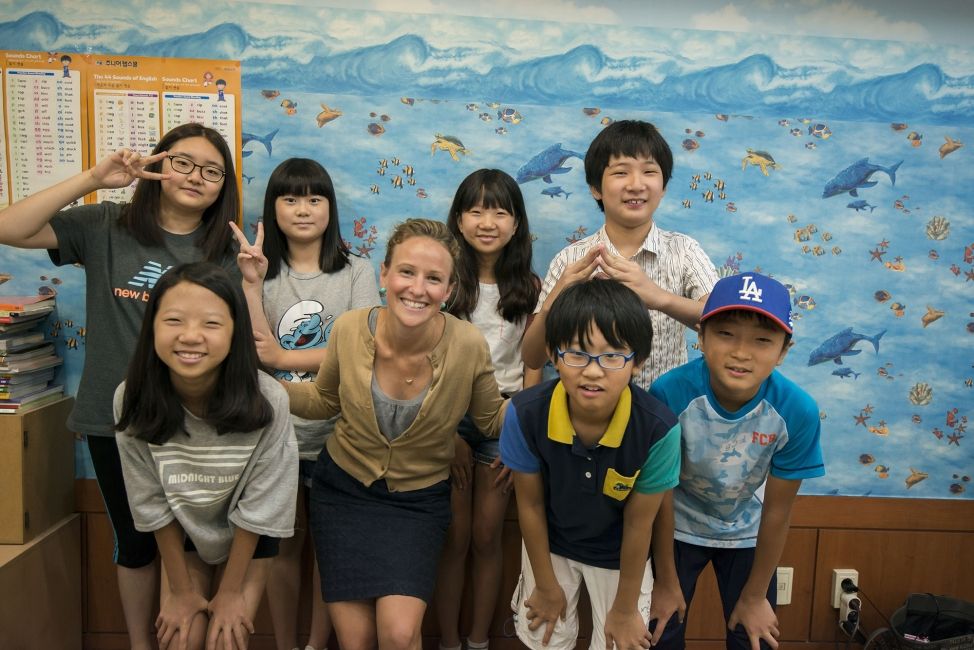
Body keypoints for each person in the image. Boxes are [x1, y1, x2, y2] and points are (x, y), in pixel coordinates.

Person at [0, 123, 239, 650]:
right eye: (182, 162)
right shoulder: (107, 223)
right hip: (116, 419)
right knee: (135, 544)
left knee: (195, 546)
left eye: (211, 170)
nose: (196, 177)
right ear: (157, 164)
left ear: (224, 185)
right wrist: (93, 177)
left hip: (195, 423)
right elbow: (9, 228)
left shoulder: (225, 248)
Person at [280, 218, 506, 650]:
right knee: (357, 639)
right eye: (406, 272)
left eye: (433, 278)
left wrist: (557, 400)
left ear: (449, 289)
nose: (417, 288)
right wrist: (263, 388)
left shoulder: (468, 345)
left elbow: (492, 419)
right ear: (384, 274)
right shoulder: (348, 329)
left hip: (417, 503)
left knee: (399, 634)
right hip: (342, 494)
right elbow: (323, 402)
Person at [231, 157, 379, 650]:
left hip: (342, 436)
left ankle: (317, 645)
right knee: (281, 549)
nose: (303, 209)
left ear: (330, 208)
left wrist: (284, 354)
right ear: (273, 208)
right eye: (290, 198)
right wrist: (252, 285)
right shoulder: (258, 271)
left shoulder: (358, 270)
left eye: (315, 198)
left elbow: (365, 346)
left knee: (329, 553)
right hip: (275, 438)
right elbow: (253, 353)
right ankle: (286, 644)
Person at [114, 262, 298, 650]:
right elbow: (151, 504)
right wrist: (181, 591)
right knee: (183, 639)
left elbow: (262, 509)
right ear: (152, 328)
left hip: (248, 536)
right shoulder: (131, 397)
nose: (191, 336)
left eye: (212, 324)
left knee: (224, 641)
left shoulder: (268, 400)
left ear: (235, 333)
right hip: (184, 532)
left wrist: (230, 593)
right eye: (174, 320)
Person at [500, 278, 682, 650]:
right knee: (544, 636)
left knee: (621, 638)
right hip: (551, 542)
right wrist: (547, 587)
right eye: (577, 353)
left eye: (613, 355)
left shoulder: (658, 429)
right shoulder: (524, 414)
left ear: (638, 361)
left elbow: (639, 523)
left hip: (619, 554)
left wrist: (626, 607)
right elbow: (530, 506)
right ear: (553, 354)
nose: (593, 371)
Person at [647, 272, 825, 650]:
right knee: (659, 632)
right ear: (701, 337)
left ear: (783, 351)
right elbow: (658, 491)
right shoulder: (669, 392)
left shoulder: (797, 411)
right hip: (674, 528)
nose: (741, 353)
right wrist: (663, 580)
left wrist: (756, 596)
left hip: (749, 533)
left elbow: (778, 511)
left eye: (762, 341)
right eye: (726, 334)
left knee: (755, 636)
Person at [521, 119, 719, 391]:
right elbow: (532, 357)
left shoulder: (684, 250)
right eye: (620, 173)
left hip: (662, 419)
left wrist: (658, 297)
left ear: (664, 187)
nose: (636, 185)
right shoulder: (571, 259)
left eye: (649, 171)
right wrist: (554, 301)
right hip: (587, 417)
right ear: (595, 188)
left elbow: (721, 323)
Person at [435, 169, 542, 650]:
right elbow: (427, 362)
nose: (487, 221)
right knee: (453, 539)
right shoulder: (443, 284)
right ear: (458, 219)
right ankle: (449, 640)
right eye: (476, 210)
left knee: (486, 536)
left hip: (506, 420)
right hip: (448, 419)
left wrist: (517, 440)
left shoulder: (530, 288)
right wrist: (448, 437)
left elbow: (532, 372)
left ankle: (479, 640)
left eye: (500, 211)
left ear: (516, 224)